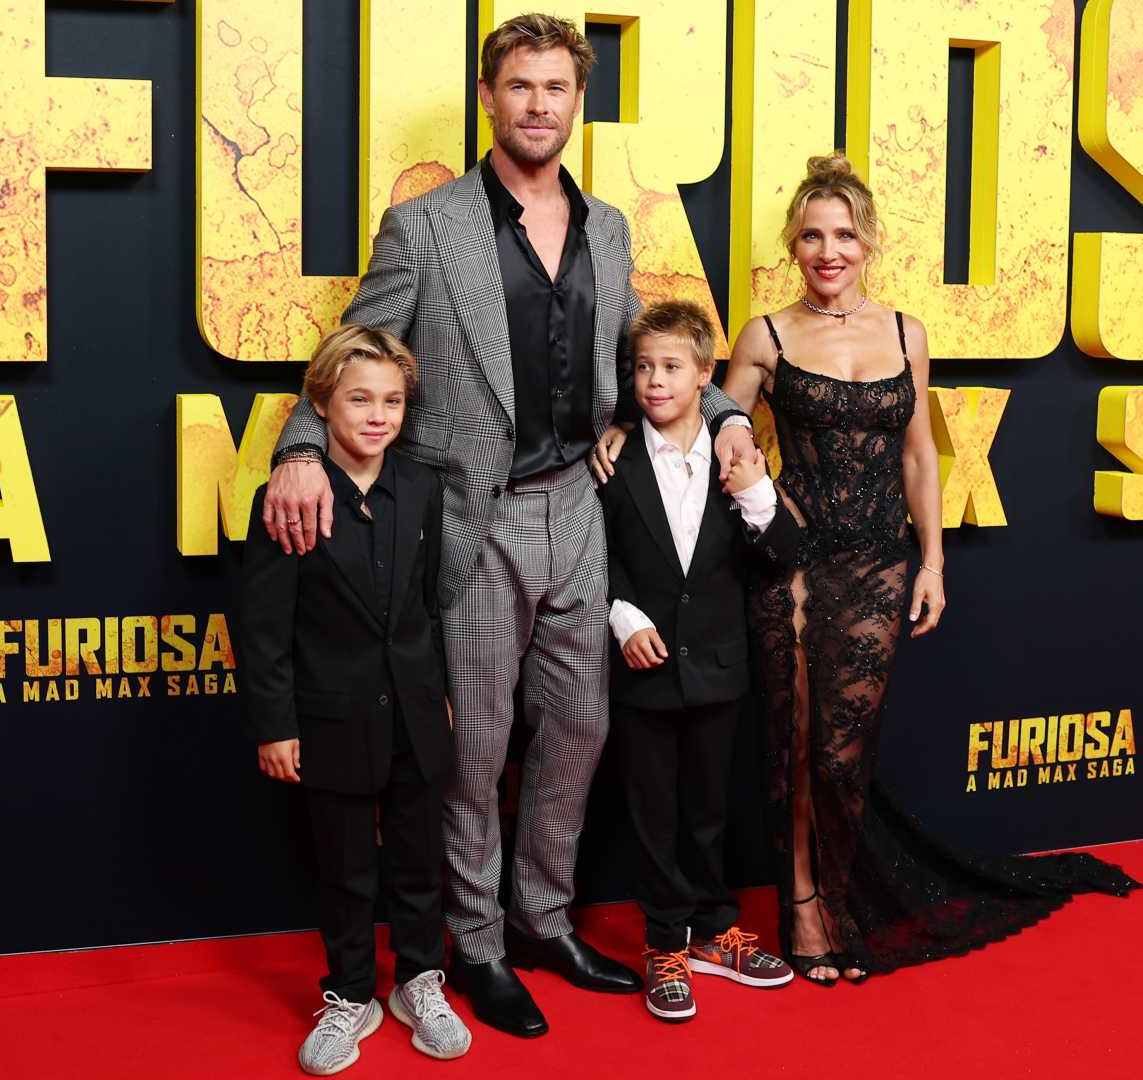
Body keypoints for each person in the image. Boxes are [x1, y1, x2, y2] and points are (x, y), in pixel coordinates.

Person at [260, 13, 761, 1038]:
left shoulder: (609, 226)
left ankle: (542, 919)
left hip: (577, 503)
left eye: (557, 88)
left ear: (578, 103)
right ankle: (477, 946)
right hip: (468, 518)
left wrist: (729, 416)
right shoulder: (428, 225)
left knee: (578, 733)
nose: (539, 104)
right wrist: (300, 449)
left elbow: (653, 358)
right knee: (477, 748)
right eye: (521, 86)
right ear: (488, 96)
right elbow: (354, 347)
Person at [596, 153, 1140, 987]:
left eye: (843, 234)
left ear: (867, 241)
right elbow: (709, 404)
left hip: (881, 561)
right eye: (811, 235)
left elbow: (921, 456)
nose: (827, 251)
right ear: (792, 244)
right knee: (792, 750)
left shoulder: (905, 331)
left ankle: (841, 901)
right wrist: (623, 426)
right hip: (792, 566)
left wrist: (933, 562)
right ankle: (805, 915)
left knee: (842, 756)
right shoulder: (766, 334)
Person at [241, 325, 471, 1073]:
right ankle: (349, 996)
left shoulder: (423, 486)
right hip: (329, 714)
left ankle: (418, 982)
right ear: (323, 403)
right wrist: (275, 725)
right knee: (343, 866)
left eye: (393, 401)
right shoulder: (288, 496)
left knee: (415, 859)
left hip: (414, 708)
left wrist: (434, 694)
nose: (378, 415)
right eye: (360, 399)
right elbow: (264, 627)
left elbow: (427, 608)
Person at [600, 301, 799, 1022]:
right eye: (643, 367)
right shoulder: (612, 458)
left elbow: (780, 553)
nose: (654, 381)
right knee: (651, 813)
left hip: (718, 664)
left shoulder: (735, 454)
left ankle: (715, 931)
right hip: (641, 668)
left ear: (705, 376)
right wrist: (622, 618)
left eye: (671, 367)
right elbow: (595, 559)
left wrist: (753, 492)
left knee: (709, 810)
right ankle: (663, 943)